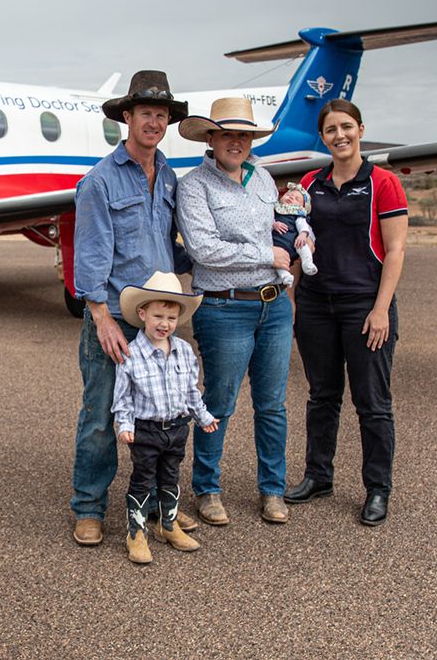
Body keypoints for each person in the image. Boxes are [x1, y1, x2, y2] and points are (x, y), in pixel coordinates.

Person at [70, 70, 194, 547]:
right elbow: (91, 257)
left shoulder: (168, 176)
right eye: (146, 113)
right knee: (102, 412)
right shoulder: (99, 182)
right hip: (117, 315)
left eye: (162, 115)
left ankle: (164, 508)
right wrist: (102, 318)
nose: (154, 122)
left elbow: (174, 244)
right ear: (128, 116)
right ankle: (88, 508)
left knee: (163, 414)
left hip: (159, 315)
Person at [283, 99, 408, 527]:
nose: (340, 135)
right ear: (323, 137)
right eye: (332, 129)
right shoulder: (310, 183)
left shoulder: (383, 182)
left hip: (364, 305)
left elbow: (395, 251)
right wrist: (294, 298)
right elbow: (300, 243)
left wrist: (380, 310)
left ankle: (377, 489)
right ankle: (318, 476)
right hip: (317, 303)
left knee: (372, 403)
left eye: (347, 127)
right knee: (322, 396)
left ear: (360, 129)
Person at [175, 97, 295, 526]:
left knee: (272, 405)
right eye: (228, 134)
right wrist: (268, 256)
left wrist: (292, 246)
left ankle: (272, 490)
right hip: (225, 308)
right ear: (211, 138)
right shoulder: (193, 186)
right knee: (219, 403)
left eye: (244, 135)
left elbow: (280, 228)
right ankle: (207, 489)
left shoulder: (263, 177)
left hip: (275, 307)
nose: (237, 142)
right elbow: (205, 251)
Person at [111, 272, 218, 564]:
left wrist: (203, 415)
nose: (164, 324)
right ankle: (136, 533)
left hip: (177, 429)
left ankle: (167, 525)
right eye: (158, 316)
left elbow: (191, 392)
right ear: (142, 313)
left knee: (170, 477)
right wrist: (125, 425)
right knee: (143, 479)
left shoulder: (184, 351)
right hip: (145, 430)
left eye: (171, 319)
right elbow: (123, 397)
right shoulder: (131, 355)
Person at [272, 183, 317, 287]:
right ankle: (285, 276)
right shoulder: (275, 210)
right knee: (277, 259)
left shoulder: (297, 214)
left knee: (304, 246)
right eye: (289, 195)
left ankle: (307, 263)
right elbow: (266, 221)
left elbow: (303, 226)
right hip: (277, 243)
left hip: (295, 242)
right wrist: (274, 224)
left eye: (297, 199)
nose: (291, 197)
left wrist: (303, 235)